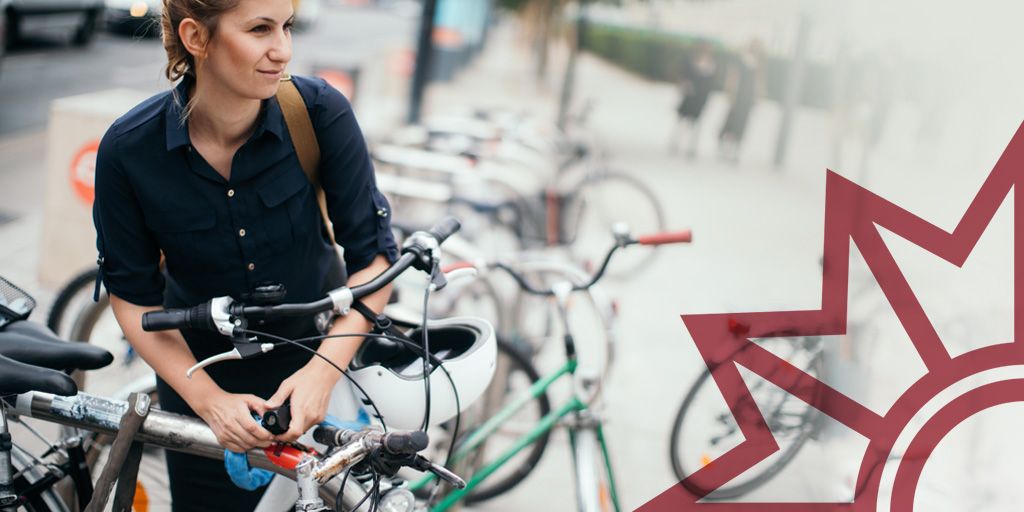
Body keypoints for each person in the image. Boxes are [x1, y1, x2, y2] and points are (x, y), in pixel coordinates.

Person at [91, 0, 398, 509]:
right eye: (260, 29)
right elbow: (133, 298)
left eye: (287, 27)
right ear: (197, 37)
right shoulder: (129, 151)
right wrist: (208, 401)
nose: (283, 50)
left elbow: (375, 262)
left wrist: (322, 374)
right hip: (201, 386)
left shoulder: (319, 113)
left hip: (325, 365)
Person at [669, 40, 718, 158]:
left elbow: (712, 82)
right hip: (689, 95)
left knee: (696, 122)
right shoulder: (690, 61)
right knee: (682, 120)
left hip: (701, 97)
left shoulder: (711, 64)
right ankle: (676, 142)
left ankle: (692, 146)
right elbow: (682, 74)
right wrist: (684, 85)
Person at [718, 39, 764, 163]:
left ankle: (735, 150)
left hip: (747, 97)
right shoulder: (740, 59)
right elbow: (733, 77)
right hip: (738, 95)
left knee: (742, 123)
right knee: (732, 120)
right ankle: (725, 146)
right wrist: (730, 93)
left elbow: (758, 80)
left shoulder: (757, 63)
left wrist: (758, 96)